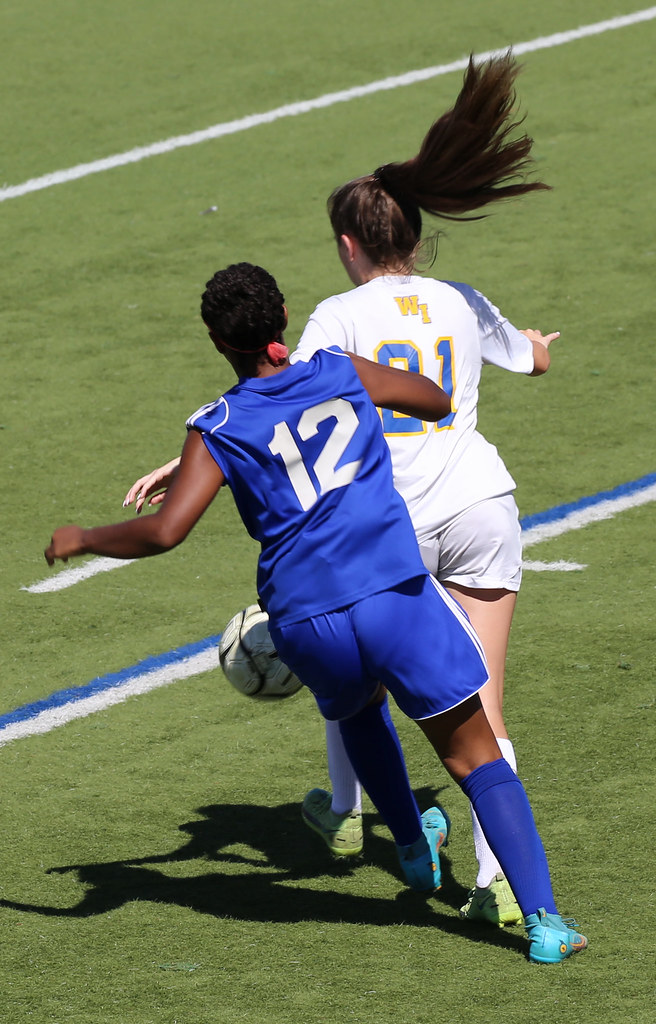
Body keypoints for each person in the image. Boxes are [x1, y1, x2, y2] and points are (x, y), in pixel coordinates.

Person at [46, 262, 587, 964]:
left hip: (305, 621)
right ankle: (543, 924)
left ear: (217, 342)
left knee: (357, 711)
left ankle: (414, 853)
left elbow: (164, 532)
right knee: (476, 758)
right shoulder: (338, 370)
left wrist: (83, 538)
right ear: (282, 320)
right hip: (394, 595)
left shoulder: (217, 425)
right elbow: (432, 398)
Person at [290, 51, 559, 929]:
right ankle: (505, 896)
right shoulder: (459, 298)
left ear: (347, 244)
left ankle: (345, 815)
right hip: (481, 506)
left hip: (387, 529)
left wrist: (185, 462)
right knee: (485, 709)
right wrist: (535, 341)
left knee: (350, 678)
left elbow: (279, 404)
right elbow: (530, 356)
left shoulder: (337, 318)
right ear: (413, 231)